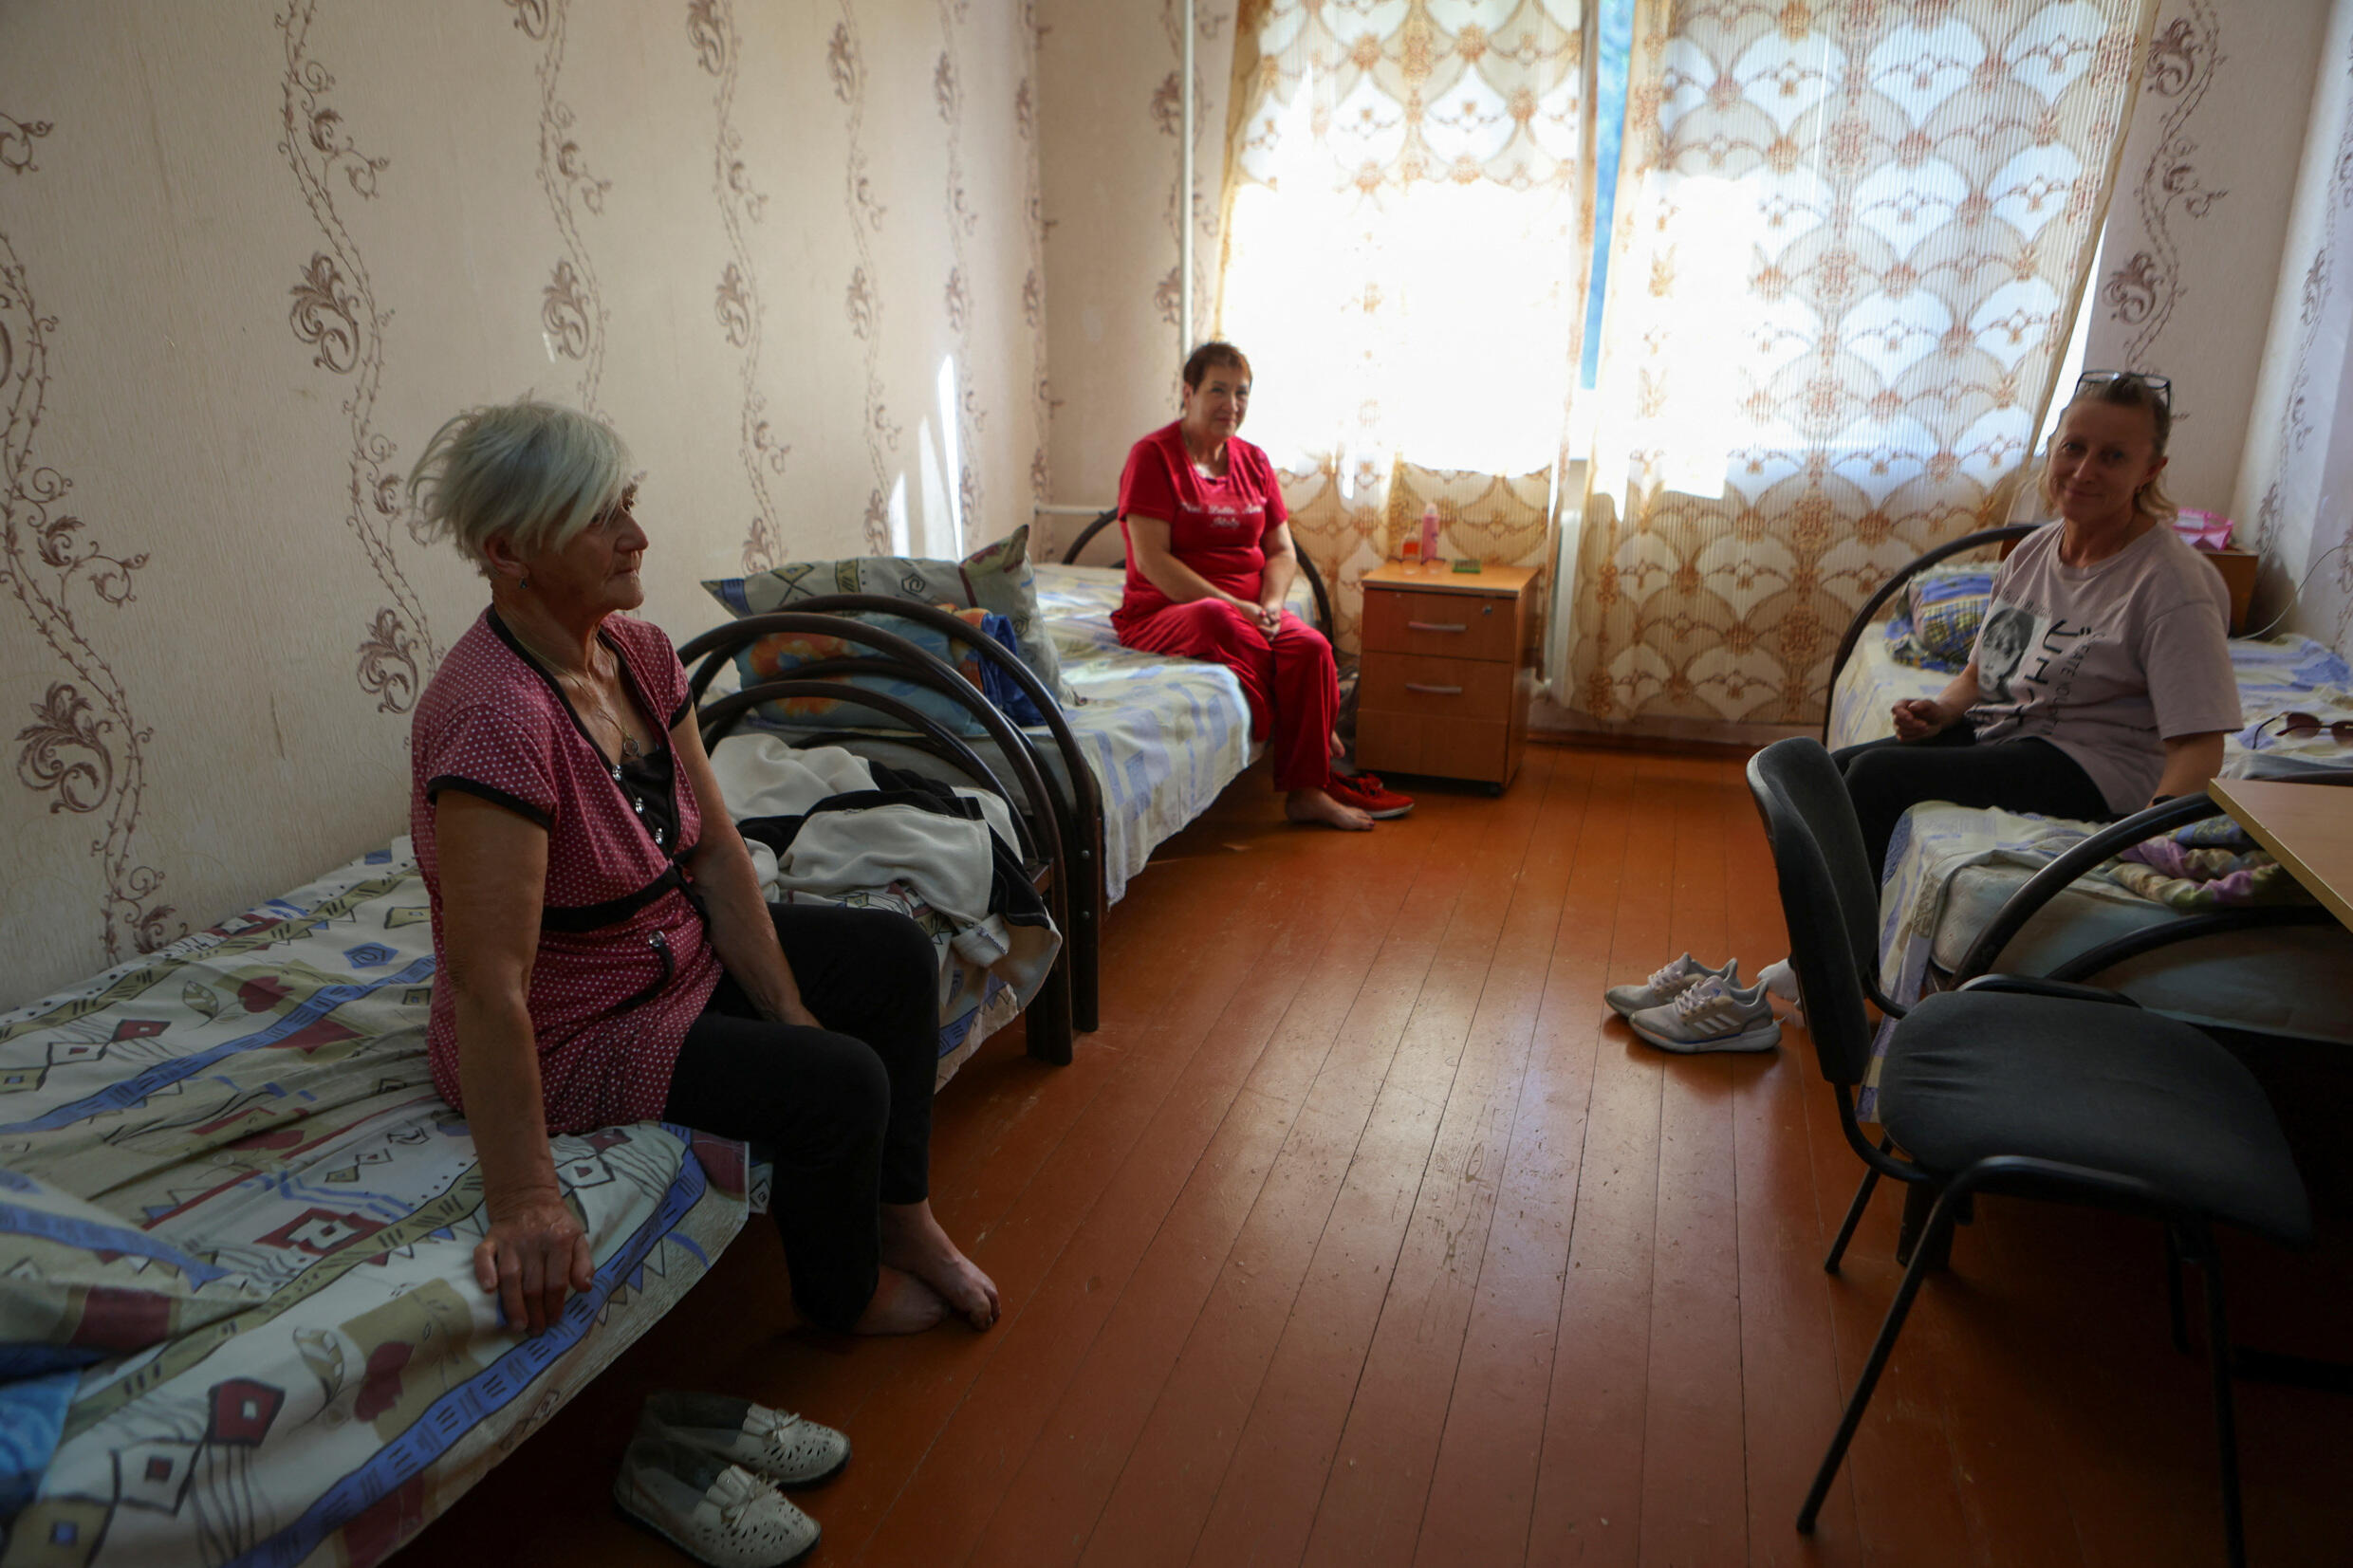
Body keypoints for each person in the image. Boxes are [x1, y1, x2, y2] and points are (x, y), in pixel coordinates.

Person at [405, 397, 998, 1343]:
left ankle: (901, 1217)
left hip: (667, 952)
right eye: (598, 517)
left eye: (627, 504)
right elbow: (489, 982)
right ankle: (840, 1301)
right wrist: (523, 1196)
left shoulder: (637, 655)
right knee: (842, 1084)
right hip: (575, 1027)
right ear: (509, 551)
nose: (635, 536)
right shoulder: (494, 717)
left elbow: (716, 854)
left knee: (893, 958)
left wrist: (788, 1012)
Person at [1616, 370, 2239, 1050]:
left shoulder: (2172, 583)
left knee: (1877, 781)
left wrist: (2149, 834)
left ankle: (1816, 983)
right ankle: (1812, 966)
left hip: (2098, 768)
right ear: (2053, 449)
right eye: (2074, 447)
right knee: (1825, 775)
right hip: (2011, 734)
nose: (2085, 470)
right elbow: (1984, 673)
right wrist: (1941, 712)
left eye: (2113, 456)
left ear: (2151, 469)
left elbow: (2199, 743)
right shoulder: (2035, 553)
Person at [1113, 341, 1414, 830]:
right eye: (1218, 390)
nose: (1231, 404)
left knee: (1313, 648)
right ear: (1187, 392)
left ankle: (1306, 793)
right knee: (1217, 618)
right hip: (1165, 610)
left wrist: (1271, 604)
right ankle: (1307, 726)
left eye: (1242, 393)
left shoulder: (1254, 461)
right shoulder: (1153, 457)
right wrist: (1235, 605)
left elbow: (1281, 551)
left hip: (1251, 613)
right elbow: (1151, 561)